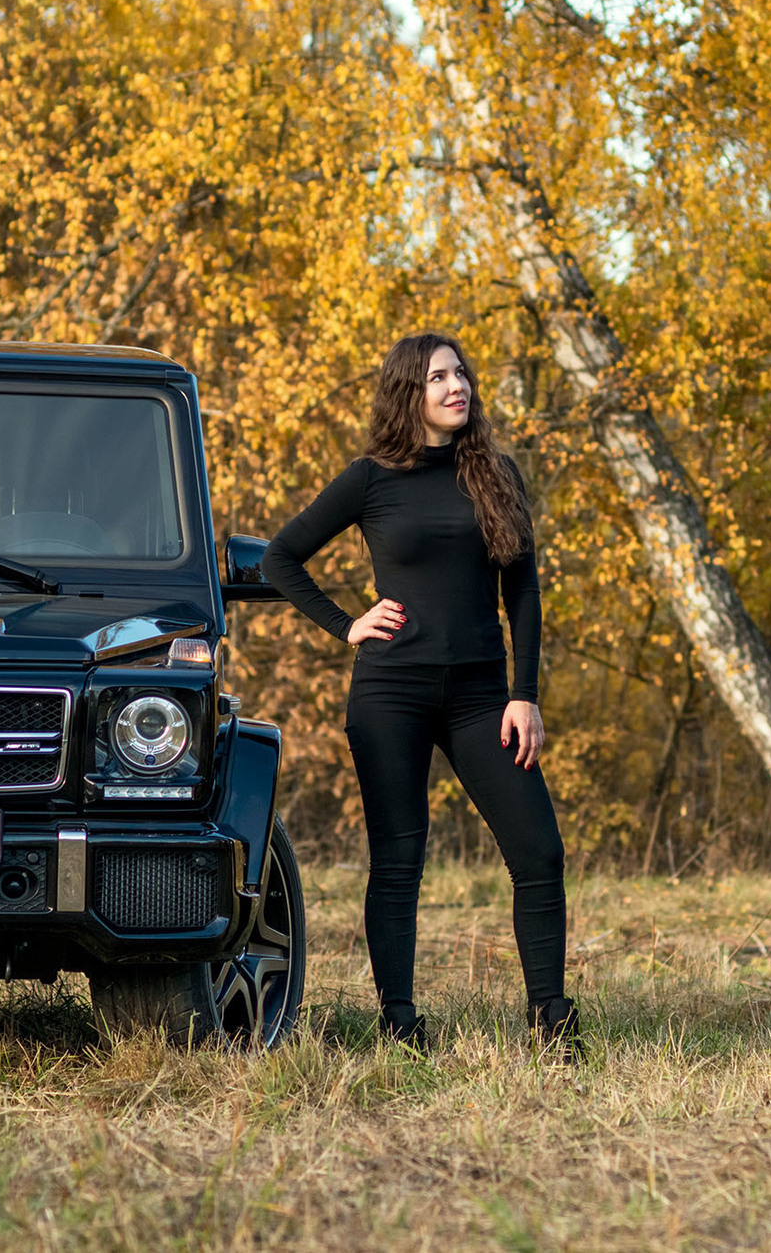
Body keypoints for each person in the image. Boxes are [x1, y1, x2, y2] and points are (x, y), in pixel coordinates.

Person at [262, 332, 578, 1051]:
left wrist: (524, 694)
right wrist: (347, 624)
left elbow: (523, 592)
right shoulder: (370, 479)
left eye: (460, 373)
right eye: (438, 377)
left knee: (539, 853)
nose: (456, 386)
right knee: (399, 863)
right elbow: (282, 557)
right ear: (410, 390)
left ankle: (552, 1023)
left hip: (482, 697)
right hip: (391, 693)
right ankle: (400, 1023)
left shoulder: (495, 473)